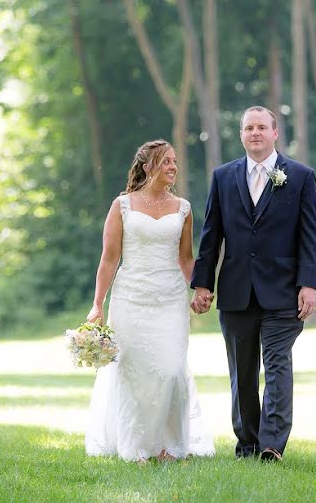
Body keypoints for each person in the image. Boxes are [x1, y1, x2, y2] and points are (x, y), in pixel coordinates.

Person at [191, 106, 316, 462]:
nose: (255, 133)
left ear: (275, 133)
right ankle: (247, 443)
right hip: (236, 291)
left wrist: (308, 284)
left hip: (283, 292)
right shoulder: (222, 177)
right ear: (241, 135)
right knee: (242, 373)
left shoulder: (300, 176)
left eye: (262, 127)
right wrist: (202, 284)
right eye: (248, 128)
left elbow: (310, 236)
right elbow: (210, 234)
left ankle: (271, 445)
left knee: (277, 365)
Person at [84, 139, 214, 463]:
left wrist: (200, 288)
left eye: (174, 161)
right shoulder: (122, 205)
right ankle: (136, 448)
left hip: (170, 300)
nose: (173, 166)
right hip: (130, 299)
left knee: (171, 370)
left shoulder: (182, 208)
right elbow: (109, 259)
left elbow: (186, 259)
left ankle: (171, 445)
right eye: (166, 161)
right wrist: (98, 304)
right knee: (133, 373)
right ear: (147, 166)